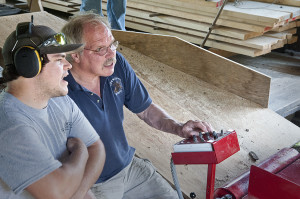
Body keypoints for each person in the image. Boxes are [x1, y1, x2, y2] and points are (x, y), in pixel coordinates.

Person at [62, 13, 214, 199]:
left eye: (112, 45)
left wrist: (179, 127)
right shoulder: (60, 89)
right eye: (101, 49)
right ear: (75, 55)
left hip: (130, 168)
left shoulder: (117, 67)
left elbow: (146, 110)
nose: (111, 54)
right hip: (94, 184)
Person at [0, 22, 106, 199]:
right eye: (59, 59)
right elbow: (57, 193)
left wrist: (78, 194)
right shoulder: (9, 124)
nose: (68, 65)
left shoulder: (60, 101)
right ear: (30, 65)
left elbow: (97, 148)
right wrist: (80, 152)